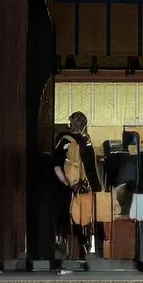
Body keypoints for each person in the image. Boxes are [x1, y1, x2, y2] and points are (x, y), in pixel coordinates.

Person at [52, 111, 101, 269]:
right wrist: (96, 188)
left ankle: (67, 251)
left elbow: (56, 165)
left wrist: (66, 183)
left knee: (67, 219)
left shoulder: (64, 141)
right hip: (85, 187)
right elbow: (92, 168)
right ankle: (84, 251)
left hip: (68, 187)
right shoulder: (86, 142)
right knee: (84, 220)